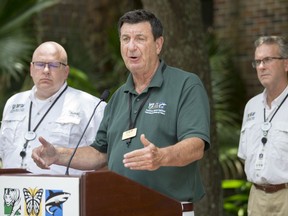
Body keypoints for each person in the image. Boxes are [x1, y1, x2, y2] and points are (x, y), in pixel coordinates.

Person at [32, 9, 210, 216]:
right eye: (125, 39)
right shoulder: (117, 97)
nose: (131, 46)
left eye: (140, 38)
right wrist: (58, 155)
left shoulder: (185, 85)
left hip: (167, 209)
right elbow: (99, 153)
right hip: (119, 208)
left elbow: (196, 146)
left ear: (158, 44)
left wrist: (161, 156)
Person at [0, 41, 106, 175]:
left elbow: (103, 158)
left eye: (54, 65)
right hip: (12, 192)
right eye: (39, 64)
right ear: (31, 69)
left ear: (66, 71)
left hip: (64, 193)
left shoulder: (91, 107)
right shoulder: (13, 103)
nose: (46, 70)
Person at [238, 36, 288, 216]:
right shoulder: (251, 106)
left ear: (286, 64)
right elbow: (244, 155)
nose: (261, 66)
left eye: (267, 60)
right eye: (257, 61)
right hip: (256, 198)